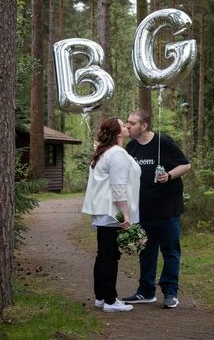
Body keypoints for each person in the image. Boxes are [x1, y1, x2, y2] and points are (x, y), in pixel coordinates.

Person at [122, 110, 190, 309]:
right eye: (127, 122)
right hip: (143, 210)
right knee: (146, 250)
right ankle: (146, 291)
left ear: (144, 126)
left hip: (167, 209)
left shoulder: (163, 142)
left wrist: (168, 175)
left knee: (170, 251)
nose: (128, 126)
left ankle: (170, 293)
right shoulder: (131, 147)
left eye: (132, 123)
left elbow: (185, 165)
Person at [82, 117, 141, 313]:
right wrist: (125, 214)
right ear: (117, 133)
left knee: (104, 255)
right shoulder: (116, 154)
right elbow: (118, 187)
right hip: (112, 211)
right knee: (109, 256)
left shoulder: (105, 153)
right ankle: (110, 299)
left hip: (104, 212)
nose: (127, 127)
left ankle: (101, 297)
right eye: (124, 125)